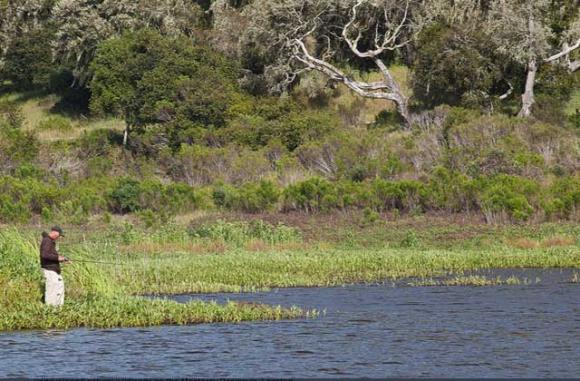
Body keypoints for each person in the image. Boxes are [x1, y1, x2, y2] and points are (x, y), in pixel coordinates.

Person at [40, 226, 69, 307]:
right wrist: (58, 258)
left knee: (59, 286)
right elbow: (44, 255)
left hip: (53, 270)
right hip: (49, 269)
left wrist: (62, 259)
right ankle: (50, 309)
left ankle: (58, 307)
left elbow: (50, 255)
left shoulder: (50, 241)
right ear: (55, 233)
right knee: (52, 290)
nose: (59, 237)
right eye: (59, 235)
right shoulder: (47, 241)